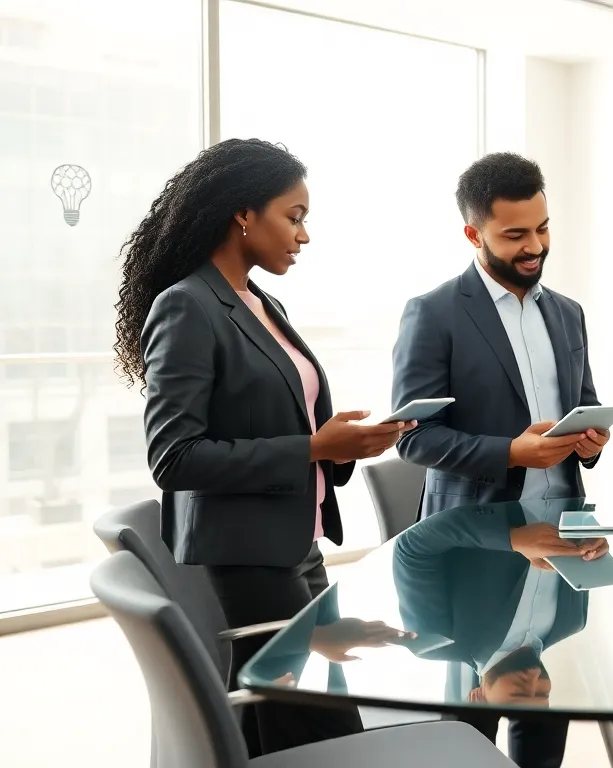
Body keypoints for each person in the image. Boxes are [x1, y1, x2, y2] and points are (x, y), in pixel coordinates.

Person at [116, 139, 407, 756]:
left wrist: (342, 447)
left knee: (284, 725)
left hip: (294, 542)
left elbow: (276, 421)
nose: (303, 236)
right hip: (250, 554)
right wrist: (310, 446)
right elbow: (174, 458)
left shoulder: (260, 302)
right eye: (294, 216)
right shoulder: (187, 306)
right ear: (243, 214)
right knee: (324, 731)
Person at [392, 153, 608, 515]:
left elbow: (584, 407)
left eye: (542, 228)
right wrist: (510, 453)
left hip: (566, 525)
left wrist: (593, 442)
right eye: (516, 235)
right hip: (473, 531)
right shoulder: (432, 313)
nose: (536, 247)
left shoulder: (569, 313)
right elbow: (414, 437)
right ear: (474, 235)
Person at [392, 498, 605, 768]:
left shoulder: (432, 639)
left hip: (492, 487)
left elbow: (410, 547)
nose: (533, 680)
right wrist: (593, 542)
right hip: (564, 478)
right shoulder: (572, 620)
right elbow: (583, 533)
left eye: (519, 693)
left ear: (478, 696)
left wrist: (512, 538)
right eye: (542, 694)